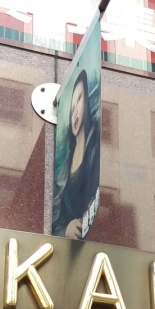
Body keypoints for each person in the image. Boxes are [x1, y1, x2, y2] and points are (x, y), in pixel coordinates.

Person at [52, 67, 100, 239]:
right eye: (72, 108)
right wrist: (66, 229)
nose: (75, 112)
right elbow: (57, 219)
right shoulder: (66, 163)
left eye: (79, 99)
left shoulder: (94, 144)